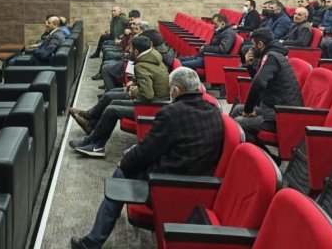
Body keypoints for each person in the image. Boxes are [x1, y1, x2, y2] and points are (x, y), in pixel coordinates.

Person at [70, 67, 223, 249]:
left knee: (121, 172)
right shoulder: (215, 111)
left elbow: (145, 153)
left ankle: (92, 242)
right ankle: (110, 215)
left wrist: (125, 162)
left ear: (175, 90)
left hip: (168, 184)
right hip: (202, 186)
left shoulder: (171, 114)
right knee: (131, 157)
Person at [69, 35, 169, 158]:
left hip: (151, 108)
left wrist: (133, 91)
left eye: (130, 48)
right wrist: (135, 83)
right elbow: (151, 80)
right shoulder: (153, 57)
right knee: (112, 102)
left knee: (111, 110)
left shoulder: (142, 65)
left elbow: (147, 94)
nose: (128, 50)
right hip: (155, 104)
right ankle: (91, 136)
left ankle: (96, 145)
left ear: (136, 51)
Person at [230, 28, 302, 161]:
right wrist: (249, 65)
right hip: (272, 107)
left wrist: (248, 110)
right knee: (237, 110)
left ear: (260, 44)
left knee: (239, 123)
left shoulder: (272, 57)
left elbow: (258, 84)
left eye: (253, 45)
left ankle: (269, 160)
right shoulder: (272, 54)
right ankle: (233, 150)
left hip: (281, 115)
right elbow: (259, 79)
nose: (252, 49)